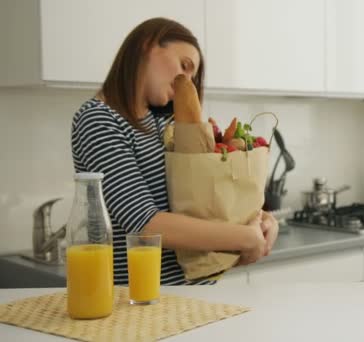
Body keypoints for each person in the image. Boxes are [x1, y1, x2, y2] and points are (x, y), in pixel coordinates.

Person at [70, 18, 278, 285]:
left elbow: (207, 208)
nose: (186, 81)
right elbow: (143, 222)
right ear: (147, 46)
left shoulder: (167, 124)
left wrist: (264, 221)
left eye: (192, 75)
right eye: (184, 65)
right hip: (140, 300)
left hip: (197, 294)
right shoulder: (98, 119)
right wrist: (246, 238)